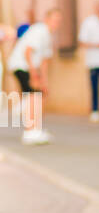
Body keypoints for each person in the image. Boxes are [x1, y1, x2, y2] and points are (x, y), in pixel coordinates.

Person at [8, 9, 62, 146]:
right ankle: (29, 132)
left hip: (30, 67)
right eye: (54, 20)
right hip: (21, 65)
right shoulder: (40, 30)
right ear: (47, 19)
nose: (56, 23)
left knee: (40, 94)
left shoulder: (48, 35)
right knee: (33, 96)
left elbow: (44, 61)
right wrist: (33, 74)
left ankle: (36, 129)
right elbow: (27, 52)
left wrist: (44, 81)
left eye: (59, 21)